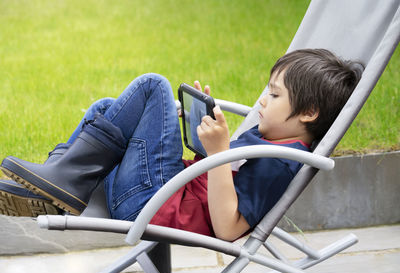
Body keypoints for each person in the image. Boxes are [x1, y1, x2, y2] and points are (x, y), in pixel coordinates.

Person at [0, 49, 362, 241]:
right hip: (158, 196)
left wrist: (219, 152)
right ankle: (58, 184)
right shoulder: (268, 139)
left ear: (310, 112)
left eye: (274, 93)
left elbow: (229, 228)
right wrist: (205, 138)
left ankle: (63, 183)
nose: (263, 100)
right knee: (106, 108)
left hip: (153, 207)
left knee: (152, 86)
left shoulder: (281, 161)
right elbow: (216, 175)